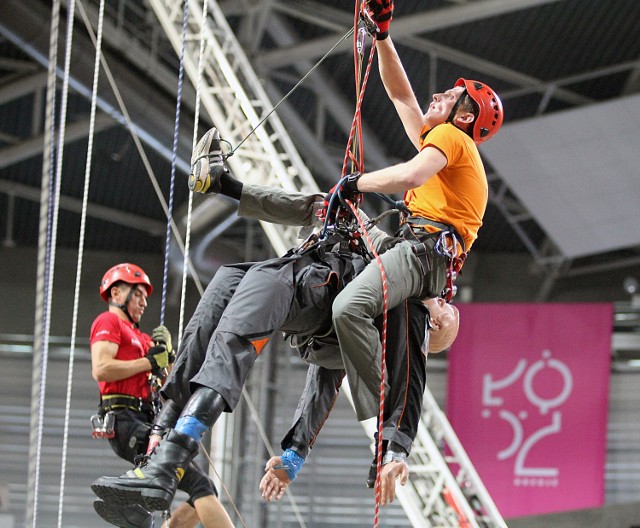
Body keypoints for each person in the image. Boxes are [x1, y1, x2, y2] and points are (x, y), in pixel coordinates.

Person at [90, 127, 461, 511]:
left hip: (309, 284)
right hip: (301, 277)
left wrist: (389, 450)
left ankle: (168, 464)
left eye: (446, 314)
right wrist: (227, 187)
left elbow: (337, 382)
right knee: (223, 287)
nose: (446, 304)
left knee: (238, 330)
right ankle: (156, 455)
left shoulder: (403, 292)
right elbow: (306, 205)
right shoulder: (368, 245)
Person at [325, 0, 504, 426]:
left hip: (422, 250)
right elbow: (401, 95)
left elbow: (410, 175)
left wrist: (355, 183)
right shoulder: (451, 144)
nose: (439, 93)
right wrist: (383, 35)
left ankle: (380, 417)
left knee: (347, 307)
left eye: (452, 95)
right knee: (332, 220)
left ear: (464, 116)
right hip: (421, 249)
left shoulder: (453, 139)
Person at [259, 295, 459, 506]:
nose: (442, 298)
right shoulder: (388, 317)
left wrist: (293, 456)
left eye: (443, 306)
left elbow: (323, 382)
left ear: (434, 324)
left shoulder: (413, 315)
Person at [90, 263, 233, 528]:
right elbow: (102, 369)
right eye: (138, 294)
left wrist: (165, 357)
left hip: (148, 422)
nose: (144, 302)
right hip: (125, 421)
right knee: (200, 485)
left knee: (203, 486)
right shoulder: (109, 322)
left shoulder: (143, 339)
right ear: (117, 293)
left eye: (146, 296)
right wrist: (149, 362)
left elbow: (166, 390)